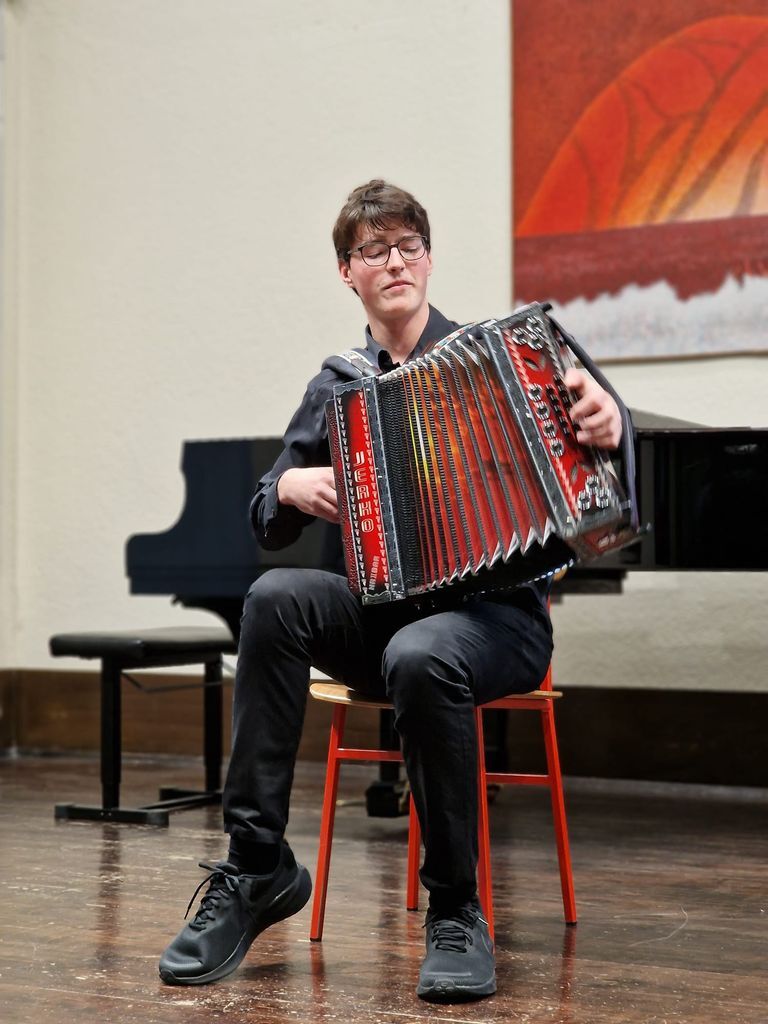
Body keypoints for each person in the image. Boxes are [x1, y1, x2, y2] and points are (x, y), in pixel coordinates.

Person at [159, 179, 622, 1002]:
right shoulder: (338, 385)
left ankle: (456, 910)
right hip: (386, 621)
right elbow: (265, 514)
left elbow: (599, 432)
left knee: (422, 651)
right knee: (275, 599)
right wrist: (290, 484)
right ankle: (257, 866)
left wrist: (610, 419)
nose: (395, 261)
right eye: (374, 250)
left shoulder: (500, 361)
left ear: (429, 259)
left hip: (497, 622)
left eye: (409, 245)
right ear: (348, 272)